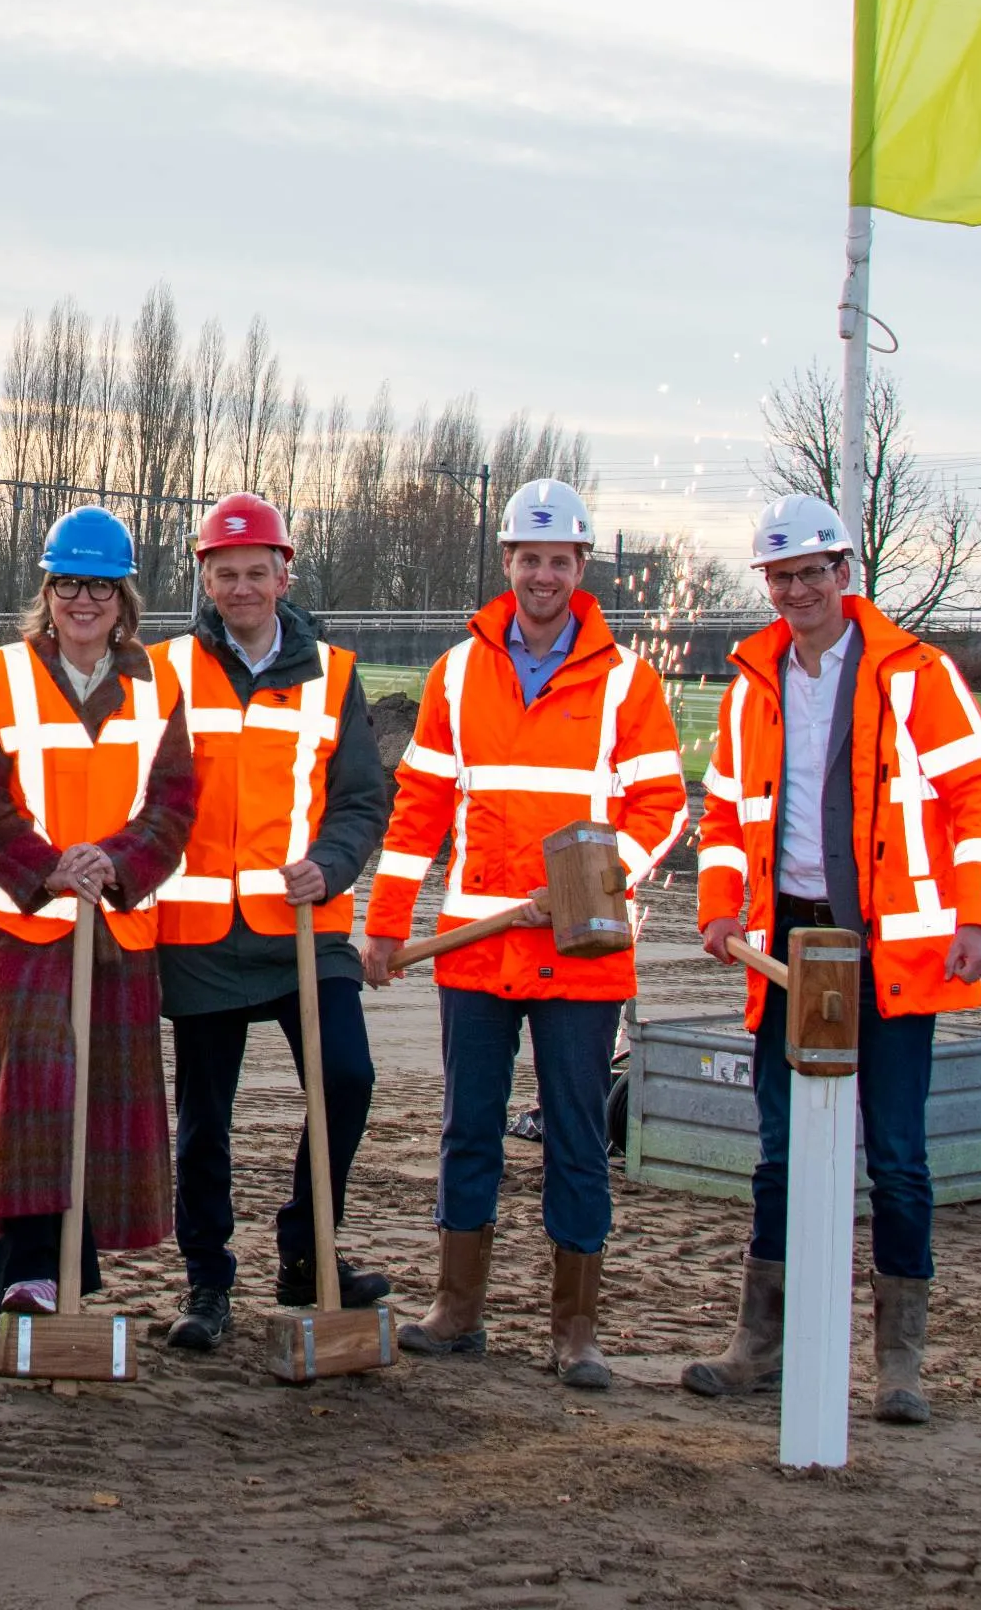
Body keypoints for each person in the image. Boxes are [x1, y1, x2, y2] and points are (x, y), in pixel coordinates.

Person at [681, 493, 981, 1426]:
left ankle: (899, 1363)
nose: (796, 592)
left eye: (810, 573)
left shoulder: (917, 676)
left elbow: (980, 793)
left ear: (844, 573)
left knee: (898, 1156)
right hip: (787, 944)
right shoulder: (755, 683)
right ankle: (761, 1344)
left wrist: (978, 916)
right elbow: (726, 810)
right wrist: (719, 910)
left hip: (894, 951)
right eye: (780, 578)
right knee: (781, 1151)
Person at [360, 477, 685, 1387]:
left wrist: (589, 878)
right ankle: (457, 1310)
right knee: (467, 1130)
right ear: (507, 562)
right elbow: (418, 808)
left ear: (582, 568)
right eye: (528, 557)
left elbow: (663, 807)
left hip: (582, 953)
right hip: (474, 945)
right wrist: (386, 925)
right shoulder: (459, 671)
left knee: (577, 1138)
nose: (543, 574)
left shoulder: (625, 678)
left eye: (560, 560)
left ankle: (574, 1329)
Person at [148, 493, 394, 1352]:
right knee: (205, 1117)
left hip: (305, 931)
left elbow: (363, 798)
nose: (243, 587)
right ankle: (207, 1280)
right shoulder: (167, 669)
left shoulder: (332, 671)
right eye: (227, 573)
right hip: (204, 935)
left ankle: (307, 1252)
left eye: (258, 572)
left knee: (348, 1080)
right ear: (205, 577)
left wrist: (329, 862)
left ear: (285, 574)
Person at [0, 505, 201, 1324]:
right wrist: (51, 867)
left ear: (124, 596)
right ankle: (25, 1273)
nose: (83, 601)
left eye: (98, 585)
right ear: (47, 592)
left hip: (117, 919)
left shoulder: (160, 685)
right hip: (17, 919)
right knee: (37, 1076)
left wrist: (118, 864)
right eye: (67, 585)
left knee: (100, 1095)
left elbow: (172, 804)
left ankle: (57, 1273)